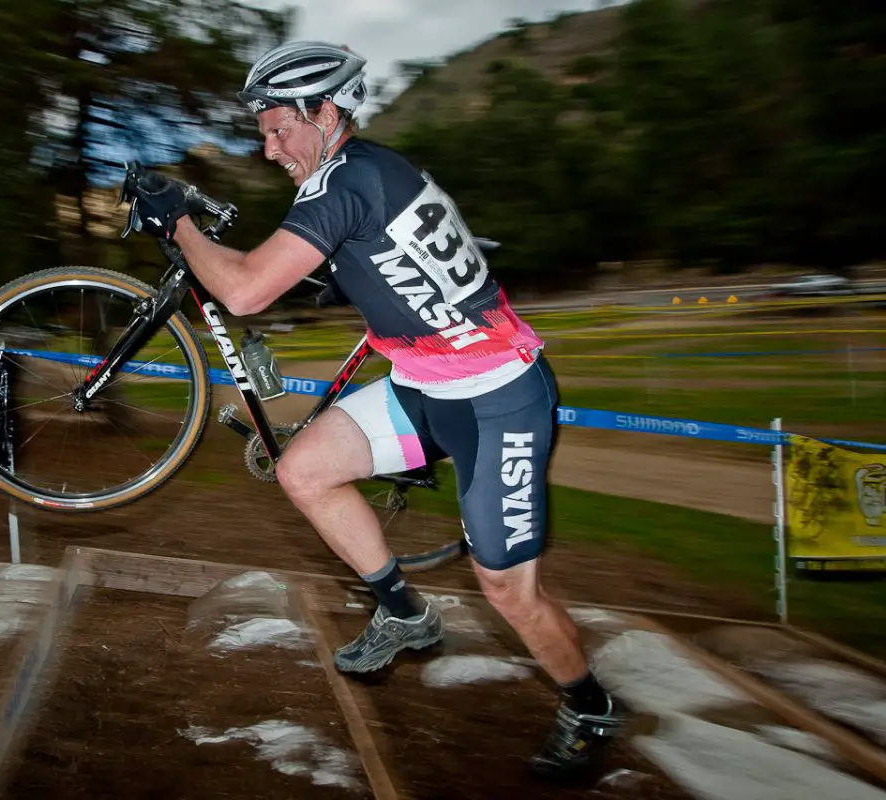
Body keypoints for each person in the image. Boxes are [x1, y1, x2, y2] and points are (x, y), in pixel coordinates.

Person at [124, 40, 626, 779]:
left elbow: (245, 292)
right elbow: (374, 247)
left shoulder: (343, 183)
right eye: (261, 134)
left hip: (500, 402)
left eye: (278, 129)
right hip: (424, 385)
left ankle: (589, 705)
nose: (269, 150)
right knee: (304, 471)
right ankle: (403, 610)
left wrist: (179, 227)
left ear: (326, 113)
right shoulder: (366, 169)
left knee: (508, 591)